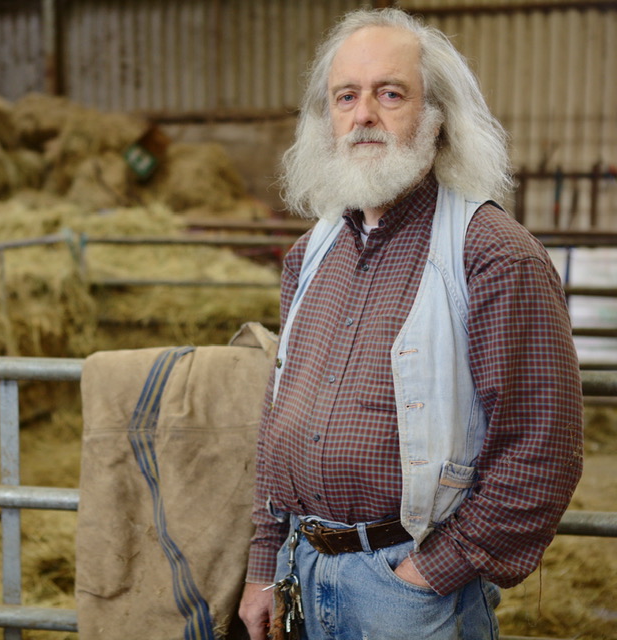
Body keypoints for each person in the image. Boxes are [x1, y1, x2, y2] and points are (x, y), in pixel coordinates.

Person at [239, 7, 584, 640]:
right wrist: (264, 563)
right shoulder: (310, 255)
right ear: (327, 118)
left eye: (389, 93)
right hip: (302, 573)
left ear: (436, 116)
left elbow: (542, 450)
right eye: (346, 96)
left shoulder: (491, 254)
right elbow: (276, 420)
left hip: (408, 590)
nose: (363, 114)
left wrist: (426, 576)